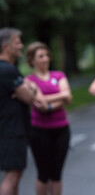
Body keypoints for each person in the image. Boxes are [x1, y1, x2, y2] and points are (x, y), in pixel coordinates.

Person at [25, 42, 72, 195]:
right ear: (32, 60)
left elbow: (68, 97)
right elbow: (39, 103)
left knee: (57, 173)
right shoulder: (29, 81)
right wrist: (61, 96)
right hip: (39, 131)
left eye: (47, 55)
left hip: (61, 129)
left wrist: (50, 103)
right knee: (43, 174)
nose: (45, 59)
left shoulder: (58, 75)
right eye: (41, 56)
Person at [0, 28, 42, 195]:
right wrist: (30, 88)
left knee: (14, 174)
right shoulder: (7, 70)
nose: (21, 46)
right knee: (13, 175)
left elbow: (23, 92)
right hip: (12, 130)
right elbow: (29, 97)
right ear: (5, 46)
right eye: (17, 43)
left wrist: (24, 89)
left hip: (8, 129)